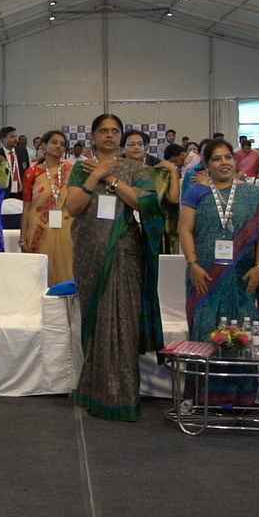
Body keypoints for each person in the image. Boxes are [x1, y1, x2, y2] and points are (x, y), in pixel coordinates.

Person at [64, 113, 168, 421]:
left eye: (114, 131)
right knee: (95, 320)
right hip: (89, 253)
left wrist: (111, 178)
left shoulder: (137, 169)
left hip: (124, 251)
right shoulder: (81, 168)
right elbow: (73, 207)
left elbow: (144, 203)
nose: (109, 135)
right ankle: (93, 390)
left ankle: (121, 395)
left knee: (122, 321)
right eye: (103, 131)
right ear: (93, 136)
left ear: (120, 136)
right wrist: (95, 175)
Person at [178, 139, 259, 405]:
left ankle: (240, 399)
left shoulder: (253, 195)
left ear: (235, 161)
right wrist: (193, 264)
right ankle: (204, 399)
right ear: (207, 165)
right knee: (204, 331)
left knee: (241, 334)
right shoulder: (195, 192)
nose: (224, 163)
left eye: (228, 157)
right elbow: (185, 230)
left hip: (242, 278)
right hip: (205, 277)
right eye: (216, 159)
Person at [21, 130, 75, 285]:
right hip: (39, 228)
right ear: (44, 146)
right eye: (54, 142)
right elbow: (26, 207)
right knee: (40, 273)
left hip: (66, 226)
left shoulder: (71, 170)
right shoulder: (32, 172)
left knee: (67, 268)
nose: (58, 146)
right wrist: (23, 236)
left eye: (62, 144)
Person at [0, 126, 29, 199]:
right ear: (3, 139)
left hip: (22, 193)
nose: (16, 139)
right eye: (12, 137)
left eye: (16, 136)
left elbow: (27, 170)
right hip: (6, 195)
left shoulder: (23, 151)